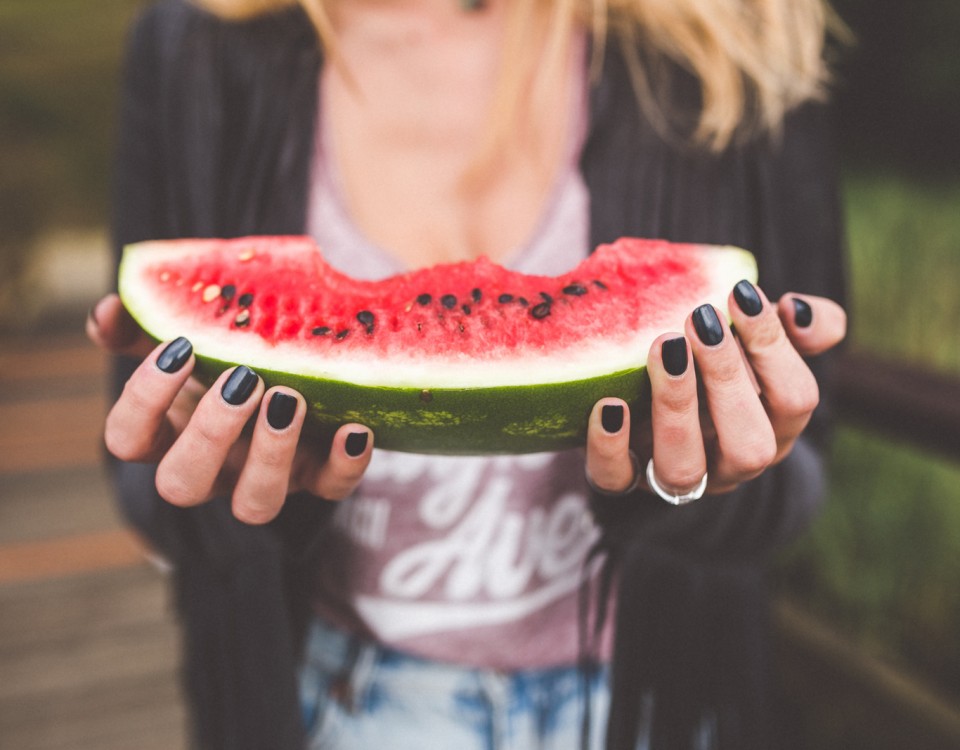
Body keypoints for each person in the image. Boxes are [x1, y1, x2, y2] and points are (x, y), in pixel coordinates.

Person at [86, 0, 848, 748]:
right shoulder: (194, 45)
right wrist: (245, 491)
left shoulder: (733, 36)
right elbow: (143, 479)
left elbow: (806, 474)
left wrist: (684, 484)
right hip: (340, 698)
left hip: (662, 700)